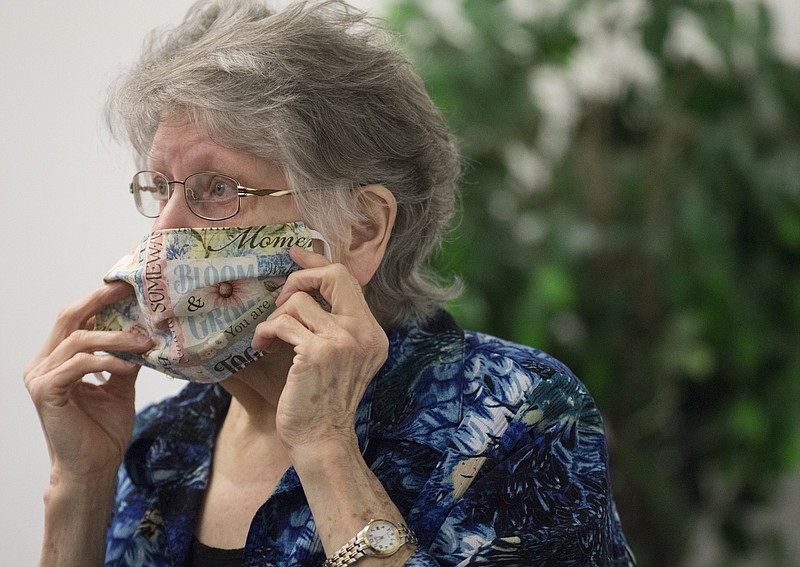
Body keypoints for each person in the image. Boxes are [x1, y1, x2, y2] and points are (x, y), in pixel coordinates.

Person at [24, 1, 635, 565]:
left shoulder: (510, 415)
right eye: (161, 188)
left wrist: (326, 449)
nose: (166, 228)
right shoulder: (163, 445)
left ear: (363, 228)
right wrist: (79, 485)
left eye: (217, 189)